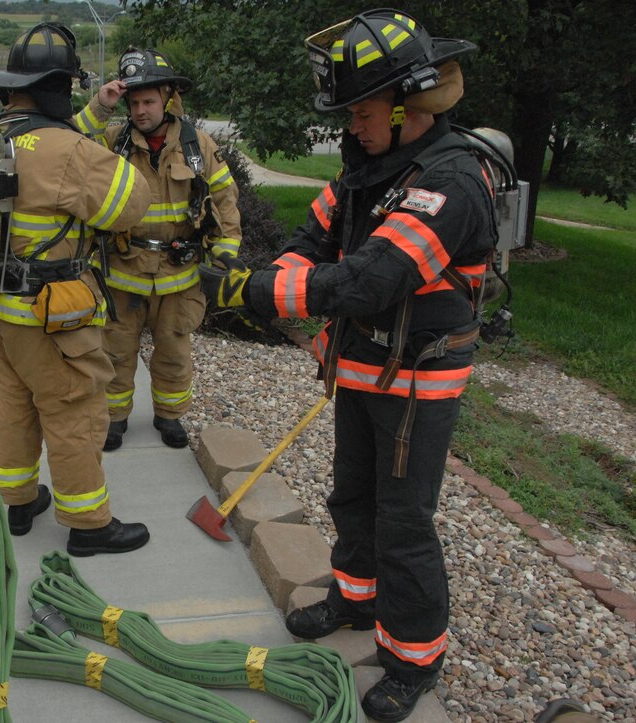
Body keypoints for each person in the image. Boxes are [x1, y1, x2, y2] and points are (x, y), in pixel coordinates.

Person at [200, 10, 491, 722]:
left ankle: (414, 657)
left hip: (417, 384)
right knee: (351, 497)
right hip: (365, 369)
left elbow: (370, 280)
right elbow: (312, 243)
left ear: (405, 107)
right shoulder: (368, 174)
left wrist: (256, 290)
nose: (348, 128)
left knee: (404, 520)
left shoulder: (450, 182)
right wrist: (268, 278)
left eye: (359, 112)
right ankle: (355, 600)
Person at [0, 23, 154, 555]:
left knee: (15, 400)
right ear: (58, 88)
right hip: (48, 315)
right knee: (73, 407)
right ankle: (89, 525)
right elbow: (133, 202)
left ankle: (18, 501)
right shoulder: (69, 150)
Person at [76, 47, 242, 451]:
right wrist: (100, 105)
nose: (139, 110)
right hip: (124, 270)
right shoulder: (113, 141)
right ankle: (115, 420)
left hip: (179, 274)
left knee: (173, 352)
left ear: (168, 99)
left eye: (148, 101)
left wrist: (226, 251)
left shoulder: (197, 145)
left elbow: (225, 198)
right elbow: (72, 140)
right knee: (115, 352)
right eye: (133, 102)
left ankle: (169, 417)